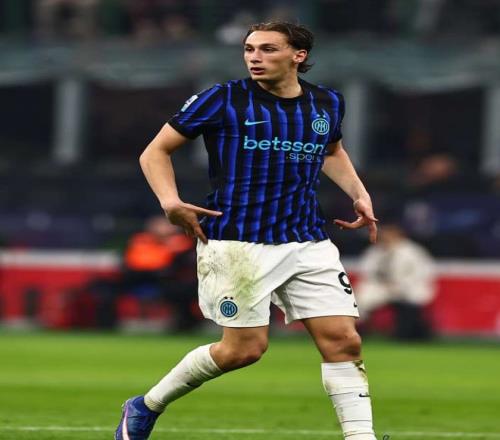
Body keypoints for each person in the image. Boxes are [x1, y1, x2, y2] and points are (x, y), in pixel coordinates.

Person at [115, 21, 379, 440]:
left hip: (307, 240)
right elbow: (155, 152)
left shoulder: (327, 102)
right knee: (243, 351)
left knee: (344, 342)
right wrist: (170, 201)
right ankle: (145, 406)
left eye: (268, 49)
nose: (254, 57)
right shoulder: (224, 99)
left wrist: (359, 194)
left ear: (298, 56)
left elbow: (332, 151)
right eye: (249, 49)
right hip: (238, 242)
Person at [355, 221, 436, 340]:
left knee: (411, 301)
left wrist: (400, 284)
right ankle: (358, 330)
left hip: (408, 288)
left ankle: (408, 333)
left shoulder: (413, 251)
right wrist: (383, 283)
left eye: (390, 234)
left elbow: (423, 273)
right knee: (362, 295)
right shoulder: (375, 251)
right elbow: (367, 272)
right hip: (382, 287)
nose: (386, 237)